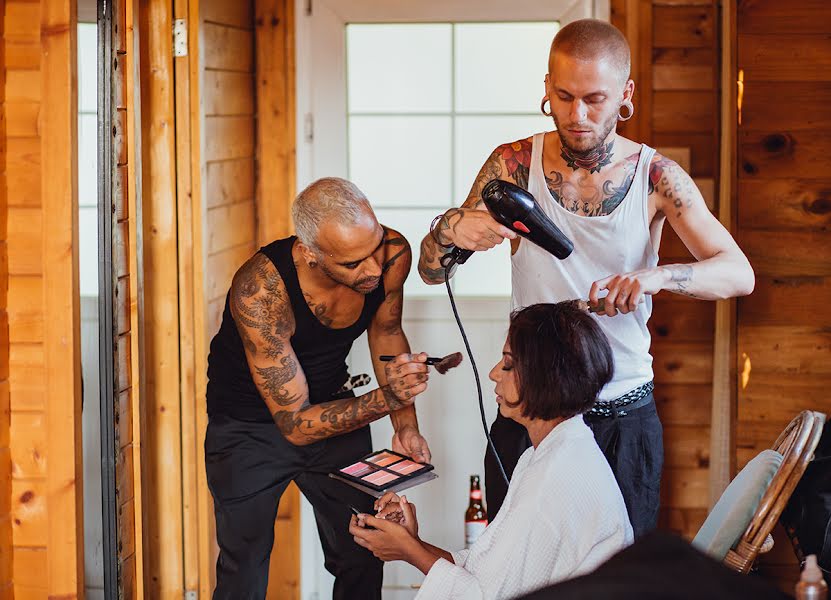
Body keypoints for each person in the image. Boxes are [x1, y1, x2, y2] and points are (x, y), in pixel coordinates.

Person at [417, 18, 755, 537]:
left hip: (621, 414)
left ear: (626, 93)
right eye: (564, 95)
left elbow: (738, 273)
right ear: (547, 88)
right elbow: (431, 271)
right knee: (513, 572)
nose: (577, 115)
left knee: (615, 577)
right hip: (530, 412)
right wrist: (449, 230)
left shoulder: (656, 177)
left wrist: (655, 277)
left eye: (594, 99)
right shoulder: (512, 163)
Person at [204, 177, 434, 599]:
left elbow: (386, 332)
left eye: (374, 249)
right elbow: (294, 425)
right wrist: (390, 398)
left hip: (334, 408)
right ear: (310, 253)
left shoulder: (392, 254)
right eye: (352, 264)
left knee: (364, 550)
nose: (371, 270)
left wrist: (405, 426)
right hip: (248, 430)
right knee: (244, 571)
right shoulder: (260, 292)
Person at [349, 302, 633, 599]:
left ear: (544, 376)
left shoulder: (553, 480)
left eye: (508, 364)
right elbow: (486, 574)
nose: (493, 373)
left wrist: (408, 550)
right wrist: (411, 542)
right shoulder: (548, 453)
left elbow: (486, 596)